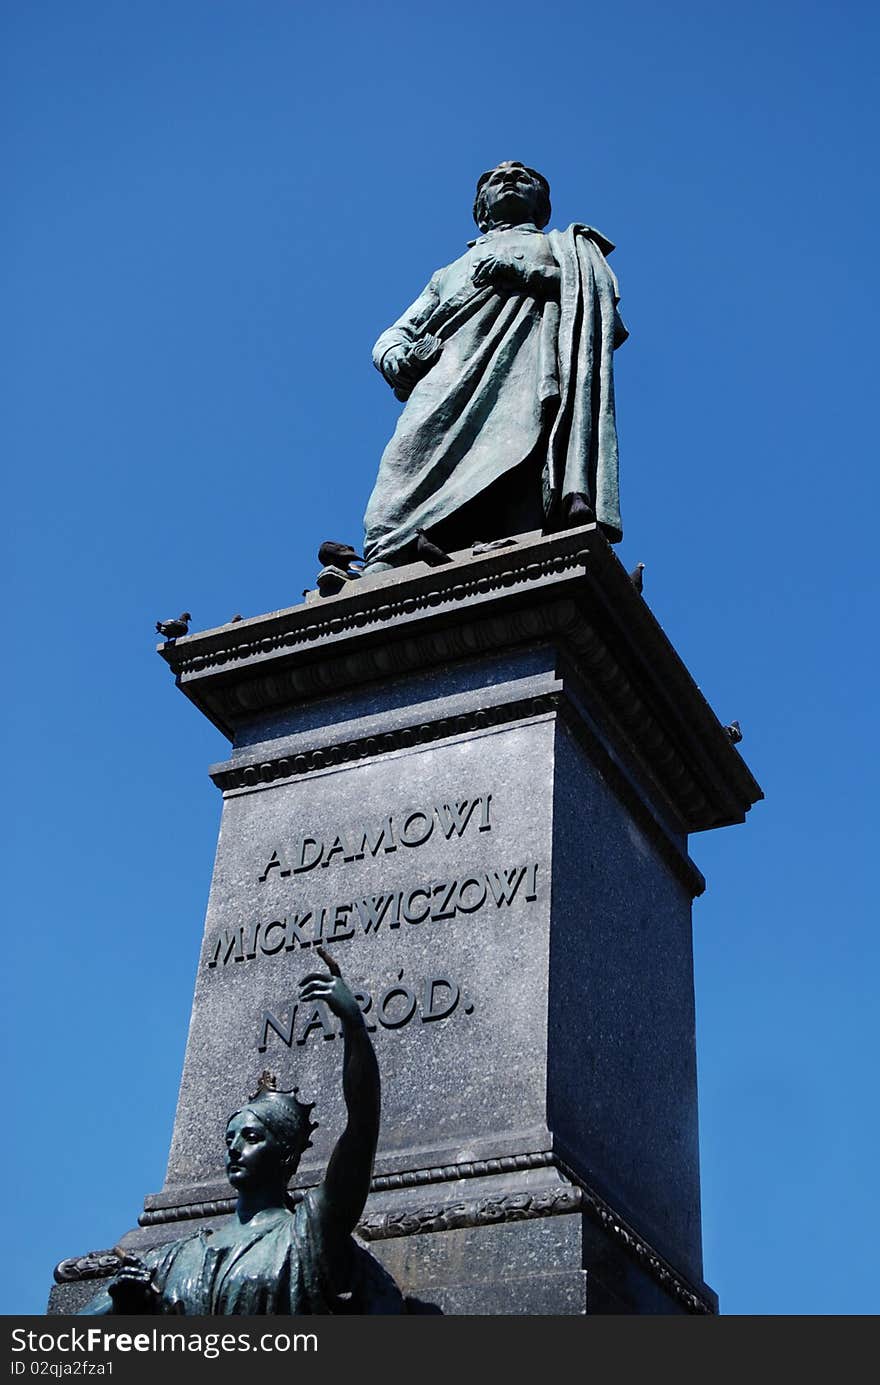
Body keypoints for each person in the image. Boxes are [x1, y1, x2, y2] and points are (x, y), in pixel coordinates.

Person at [78, 955, 403, 1314]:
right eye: (230, 1138)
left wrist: (354, 1025)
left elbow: (362, 1126)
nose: (234, 1148)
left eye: (250, 1137)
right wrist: (129, 1308)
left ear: (285, 1154)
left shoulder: (308, 1233)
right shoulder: (172, 1258)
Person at [362, 161, 628, 571]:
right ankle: (390, 550)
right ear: (482, 208)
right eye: (495, 179)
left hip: (525, 366)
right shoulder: (447, 273)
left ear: (541, 204)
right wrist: (394, 354)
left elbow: (598, 295)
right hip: (447, 373)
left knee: (518, 450)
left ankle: (505, 544)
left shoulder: (564, 247)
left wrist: (524, 273)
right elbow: (397, 331)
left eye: (523, 178)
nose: (508, 180)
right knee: (405, 457)